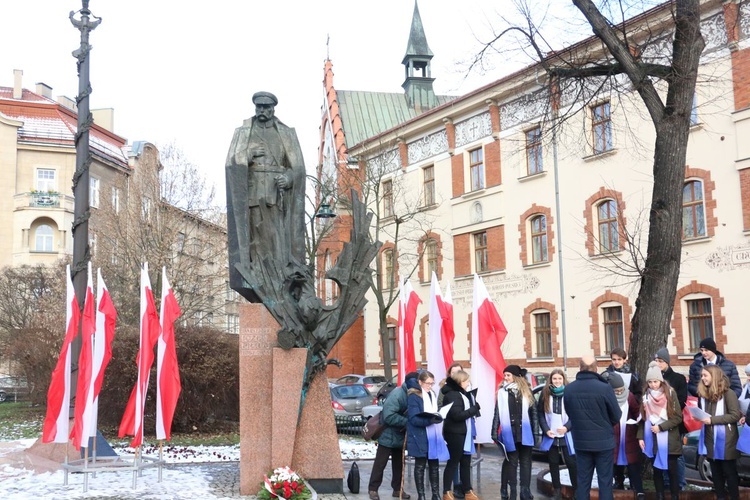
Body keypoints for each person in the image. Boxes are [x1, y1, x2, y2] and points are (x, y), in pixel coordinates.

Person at [225, 91, 307, 303]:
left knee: (275, 239)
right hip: (252, 195)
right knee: (255, 240)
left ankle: (277, 278)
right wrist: (247, 155)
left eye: (266, 107)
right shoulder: (243, 132)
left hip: (275, 195)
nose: (262, 111)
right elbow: (231, 163)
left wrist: (288, 179)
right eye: (258, 107)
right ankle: (259, 277)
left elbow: (297, 168)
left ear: (273, 109)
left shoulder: (286, 134)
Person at [564, 355, 621, 500]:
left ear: (580, 368)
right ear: (596, 369)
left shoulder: (569, 389)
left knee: (583, 482)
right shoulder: (604, 388)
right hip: (604, 442)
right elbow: (616, 415)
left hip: (581, 442)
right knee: (605, 482)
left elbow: (570, 413)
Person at [637, 362, 682, 500]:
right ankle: (660, 496)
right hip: (653, 440)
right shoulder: (646, 396)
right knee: (657, 472)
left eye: (655, 381)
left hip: (669, 440)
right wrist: (640, 437)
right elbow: (642, 419)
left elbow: (678, 417)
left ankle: (675, 496)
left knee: (672, 472)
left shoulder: (670, 394)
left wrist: (661, 427)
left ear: (660, 380)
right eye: (650, 382)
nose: (653, 385)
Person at [368, 372, 417, 500]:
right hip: (388, 434)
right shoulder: (398, 394)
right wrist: (407, 422)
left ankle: (397, 489)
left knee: (399, 464)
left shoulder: (412, 394)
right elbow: (388, 416)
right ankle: (373, 489)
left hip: (400, 434)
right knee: (380, 463)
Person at [696, 364, 742, 500]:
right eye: (702, 376)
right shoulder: (704, 394)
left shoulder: (729, 393)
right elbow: (704, 414)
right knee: (716, 473)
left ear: (714, 376)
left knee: (729, 472)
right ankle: (720, 497)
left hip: (726, 439)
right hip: (710, 439)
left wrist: (712, 420)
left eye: (705, 375)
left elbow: (735, 415)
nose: (702, 378)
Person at [491, 365, 537, 500]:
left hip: (525, 431)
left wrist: (535, 432)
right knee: (512, 461)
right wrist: (494, 431)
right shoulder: (501, 393)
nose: (505, 378)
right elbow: (497, 413)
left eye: (508, 375)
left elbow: (533, 413)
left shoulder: (527, 391)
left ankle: (525, 490)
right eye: (505, 375)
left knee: (526, 461)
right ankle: (512, 491)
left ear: (516, 377)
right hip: (509, 432)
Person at [407, 370, 450, 500]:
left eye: (432, 383)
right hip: (419, 435)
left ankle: (435, 494)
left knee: (434, 465)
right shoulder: (414, 396)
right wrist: (430, 420)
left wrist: (438, 417)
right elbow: (413, 419)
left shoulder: (431, 394)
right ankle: (421, 495)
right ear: (420, 382)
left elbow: (434, 412)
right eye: (427, 383)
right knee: (420, 465)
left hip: (433, 434)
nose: (430, 386)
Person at [537, 369, 577, 500]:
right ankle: (557, 491)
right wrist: (545, 429)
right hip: (551, 434)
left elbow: (576, 414)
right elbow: (540, 414)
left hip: (567, 434)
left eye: (559, 379)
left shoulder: (570, 393)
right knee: (553, 463)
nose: (557, 381)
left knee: (571, 463)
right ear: (551, 380)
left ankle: (577, 490)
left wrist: (567, 427)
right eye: (555, 379)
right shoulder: (545, 394)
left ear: (563, 379)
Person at [441, 370, 480, 500]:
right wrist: (473, 409)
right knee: (453, 462)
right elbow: (457, 415)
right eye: (467, 381)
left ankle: (467, 490)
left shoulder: (460, 394)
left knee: (465, 462)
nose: (469, 384)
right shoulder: (453, 395)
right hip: (455, 433)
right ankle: (446, 491)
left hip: (464, 432)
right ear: (461, 381)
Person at [654, 347, 688, 490]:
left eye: (660, 361)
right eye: (656, 361)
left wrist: (666, 412)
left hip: (673, 424)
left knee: (676, 456)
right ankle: (667, 482)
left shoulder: (678, 379)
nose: (658, 363)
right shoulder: (654, 379)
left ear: (667, 362)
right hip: (657, 424)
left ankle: (679, 483)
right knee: (662, 453)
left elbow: (682, 400)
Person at [606, 373, 643, 498]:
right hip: (614, 434)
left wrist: (638, 420)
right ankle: (618, 483)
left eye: (621, 389)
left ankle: (637, 489)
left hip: (628, 433)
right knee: (615, 462)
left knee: (632, 463)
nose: (620, 392)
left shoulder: (629, 396)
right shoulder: (608, 397)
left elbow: (636, 410)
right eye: (617, 391)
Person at [439, 362, 465, 500]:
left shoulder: (465, 387)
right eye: (453, 372)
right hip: (451, 427)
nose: (456, 374)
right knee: (453, 459)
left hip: (465, 427)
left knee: (464, 459)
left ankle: (464, 486)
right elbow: (440, 407)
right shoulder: (445, 390)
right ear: (449, 374)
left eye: (459, 372)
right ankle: (454, 486)